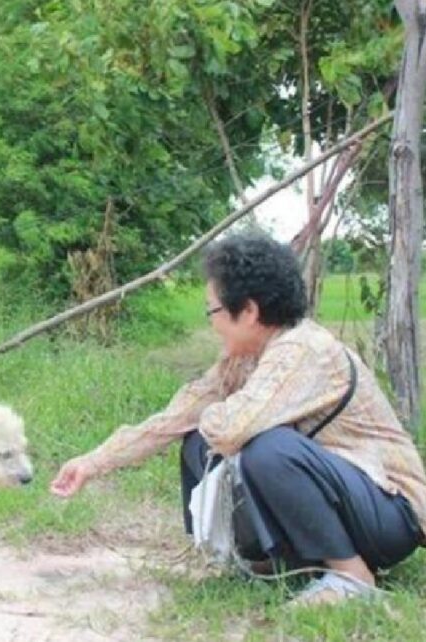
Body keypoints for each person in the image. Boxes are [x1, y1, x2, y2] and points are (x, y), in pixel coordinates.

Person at [50, 233, 426, 606]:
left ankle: (352, 577)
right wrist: (92, 463)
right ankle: (266, 563)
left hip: (391, 513)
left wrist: (212, 411)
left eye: (212, 310)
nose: (211, 322)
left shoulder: (305, 350)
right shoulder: (245, 358)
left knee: (269, 449)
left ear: (248, 311)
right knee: (199, 442)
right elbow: (174, 418)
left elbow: (230, 429)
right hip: (347, 504)